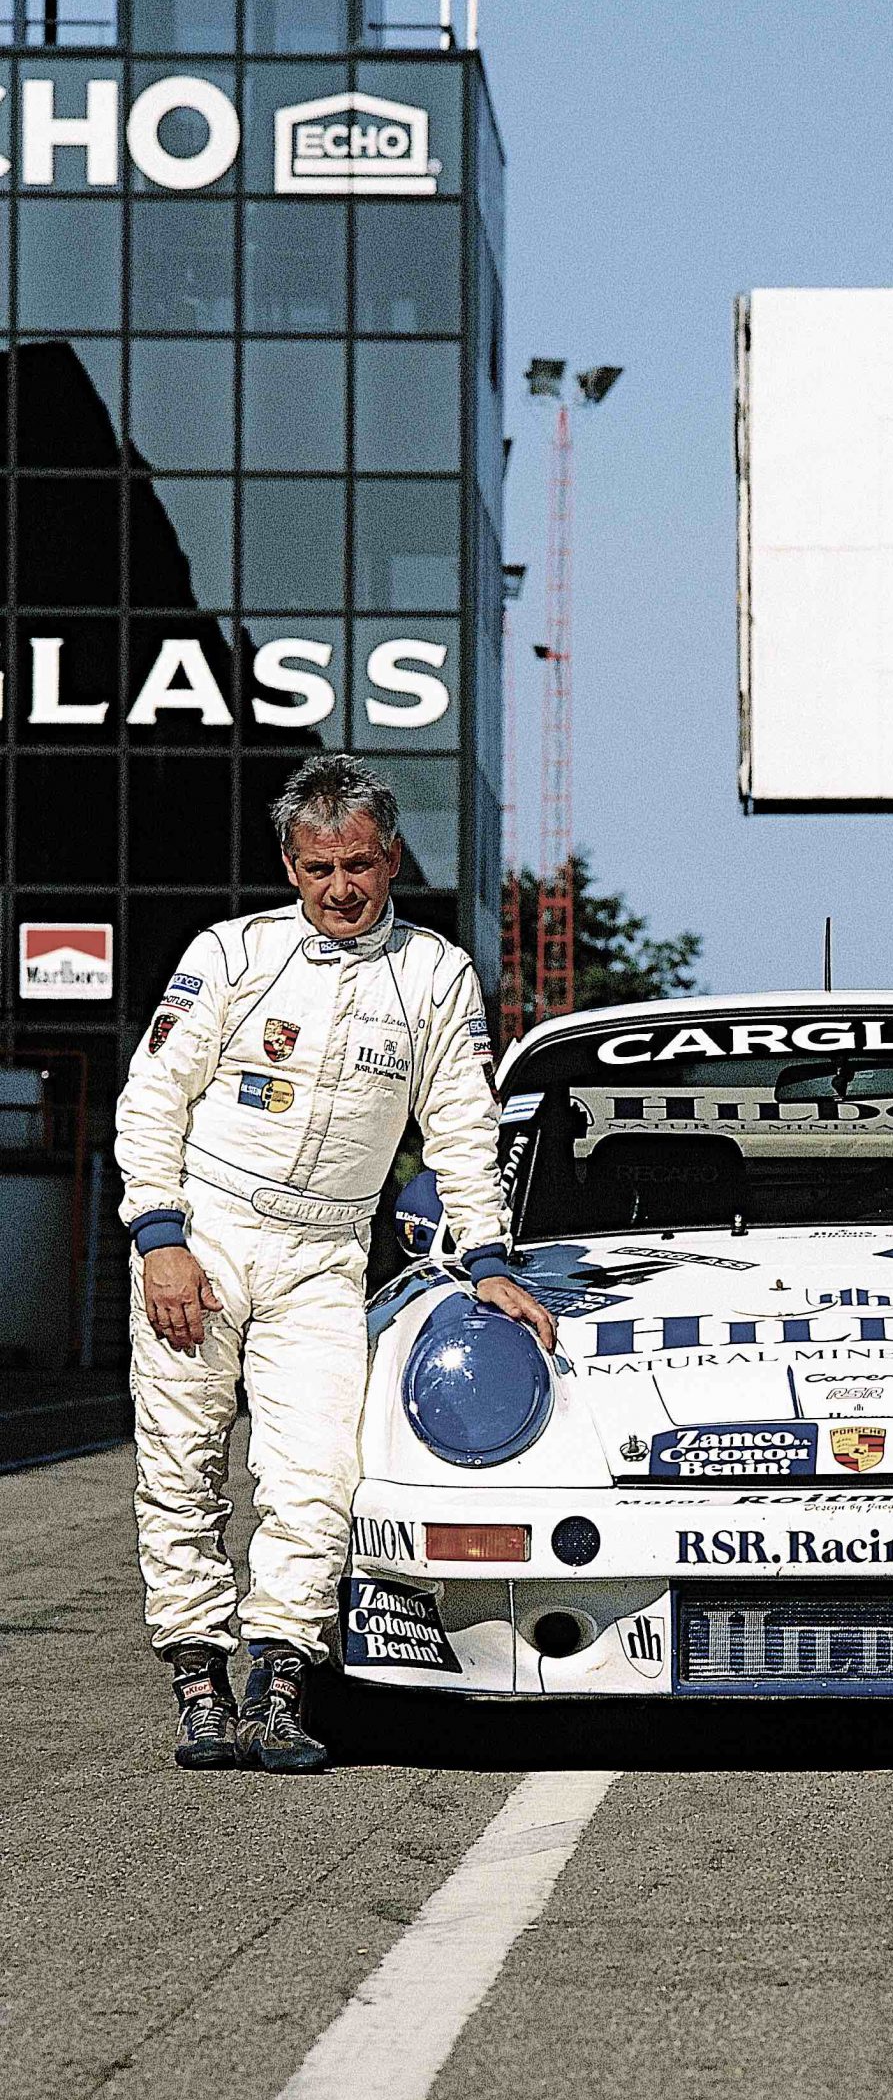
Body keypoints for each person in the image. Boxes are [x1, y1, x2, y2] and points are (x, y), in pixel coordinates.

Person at [115, 754, 555, 1775]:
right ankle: (197, 1687)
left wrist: (485, 1257)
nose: (342, 889)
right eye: (319, 869)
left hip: (324, 1256)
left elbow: (460, 1127)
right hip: (207, 1234)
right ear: (289, 864)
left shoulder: (435, 973)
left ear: (392, 856)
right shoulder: (230, 955)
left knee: (317, 1476)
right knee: (180, 1472)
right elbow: (149, 1103)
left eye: (359, 864)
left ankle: (278, 1685)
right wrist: (160, 1237)